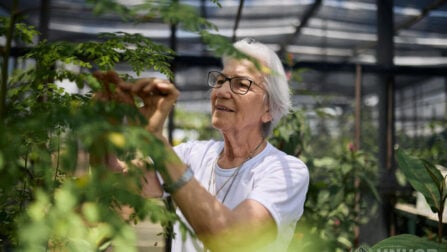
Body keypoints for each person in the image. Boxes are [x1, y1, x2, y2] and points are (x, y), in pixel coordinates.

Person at [94, 38, 309, 252]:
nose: (222, 92)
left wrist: (156, 142)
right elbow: (118, 182)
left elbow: (232, 240)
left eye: (241, 84)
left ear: (269, 109)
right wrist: (102, 127)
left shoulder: (286, 171)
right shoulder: (193, 154)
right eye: (220, 81)